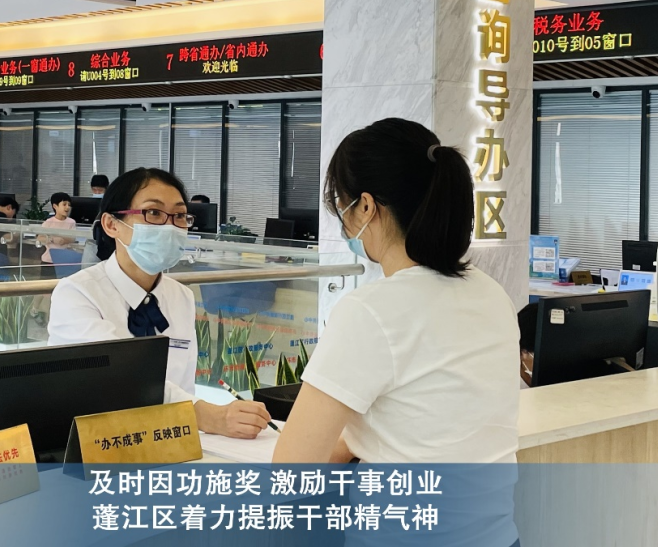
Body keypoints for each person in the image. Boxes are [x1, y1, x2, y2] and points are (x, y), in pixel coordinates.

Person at [273, 118, 520, 458]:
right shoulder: (491, 293)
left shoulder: (370, 311)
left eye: (342, 206)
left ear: (365, 207)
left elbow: (293, 467)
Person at [48, 167, 272, 439]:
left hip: (167, 442)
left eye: (179, 216)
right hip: (98, 444)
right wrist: (208, 416)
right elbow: (117, 377)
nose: (169, 226)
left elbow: (183, 385)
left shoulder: (181, 296)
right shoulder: (77, 293)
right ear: (111, 225)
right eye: (153, 213)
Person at [39, 192, 77, 277]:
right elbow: (40, 237)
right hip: (48, 260)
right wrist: (52, 239)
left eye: (69, 205)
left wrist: (64, 240)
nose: (67, 207)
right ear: (55, 206)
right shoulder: (49, 222)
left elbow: (73, 238)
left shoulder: (71, 222)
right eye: (64, 204)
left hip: (64, 260)